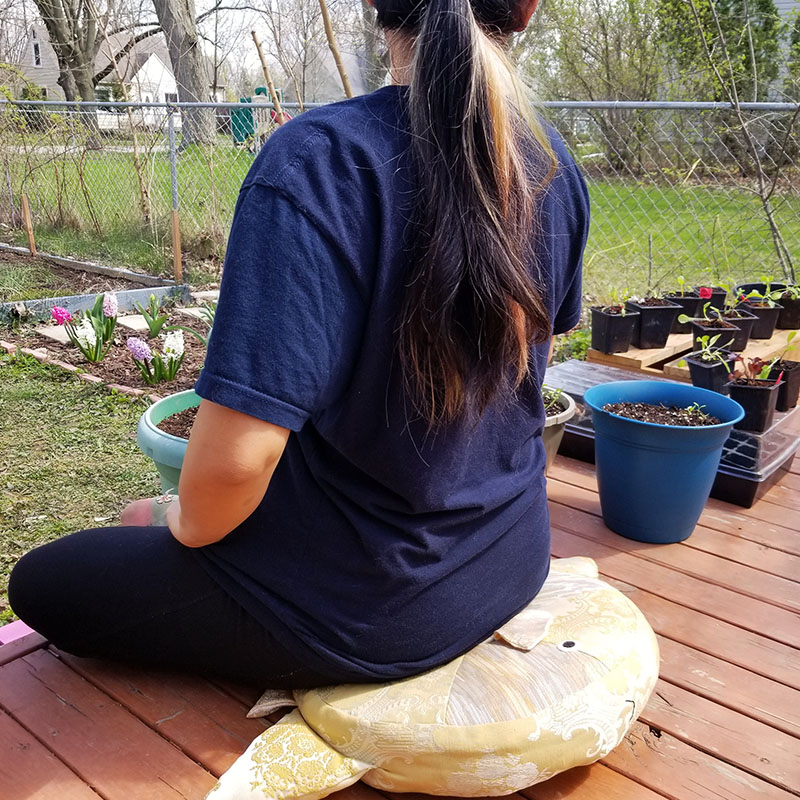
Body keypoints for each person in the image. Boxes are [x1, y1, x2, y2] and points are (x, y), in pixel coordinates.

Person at [9, 0, 588, 688]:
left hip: (374, 611)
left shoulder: (321, 161)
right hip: (513, 556)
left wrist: (170, 517)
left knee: (44, 580)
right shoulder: (553, 164)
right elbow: (526, 372)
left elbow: (234, 468)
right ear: (524, 13)